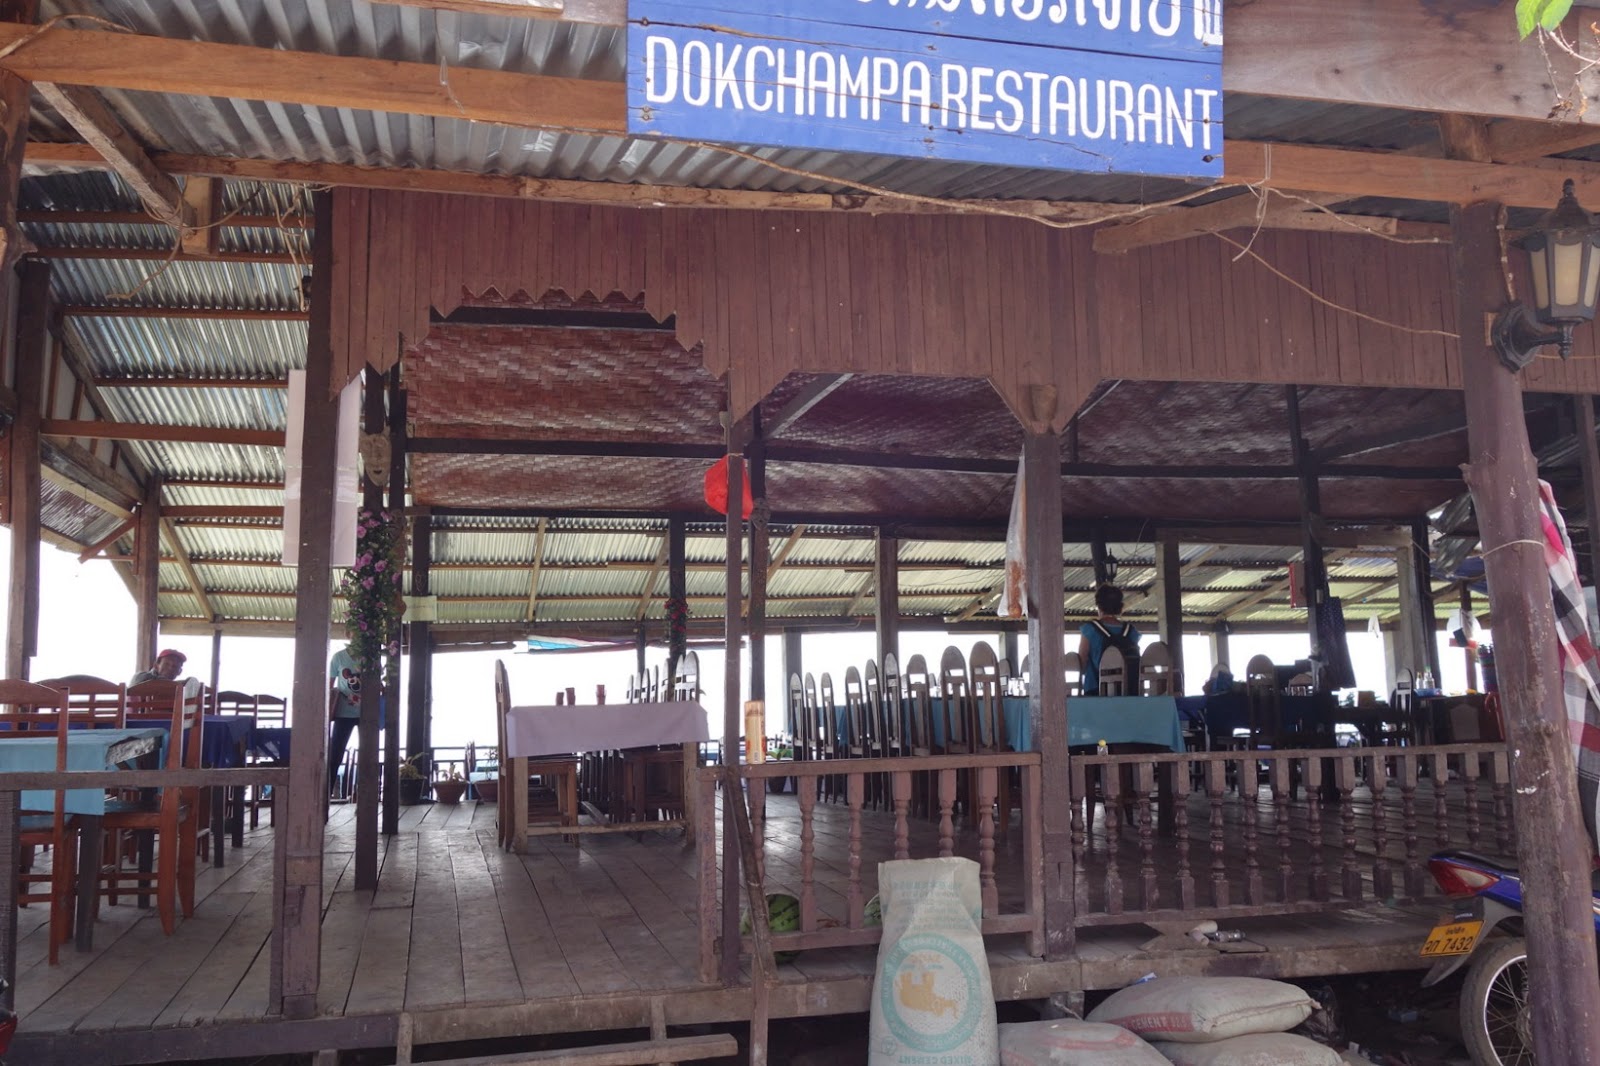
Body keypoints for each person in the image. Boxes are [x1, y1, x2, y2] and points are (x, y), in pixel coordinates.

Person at [1078, 585, 1140, 694]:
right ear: (1120, 607)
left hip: (1096, 691)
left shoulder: (1090, 629)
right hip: (1128, 690)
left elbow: (1081, 664)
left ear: (1099, 606)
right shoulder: (1130, 631)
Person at [328, 645, 363, 797]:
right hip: (342, 713)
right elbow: (329, 686)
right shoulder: (338, 657)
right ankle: (326, 794)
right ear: (348, 634)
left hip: (366, 713)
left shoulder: (370, 656)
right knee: (335, 754)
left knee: (367, 755)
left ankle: (363, 794)